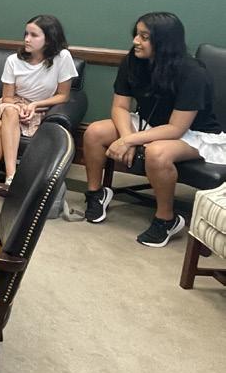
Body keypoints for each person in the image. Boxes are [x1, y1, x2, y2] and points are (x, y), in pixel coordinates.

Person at [83, 12, 226, 247]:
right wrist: (128, 136)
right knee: (94, 132)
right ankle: (96, 193)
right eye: (136, 35)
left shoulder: (193, 73)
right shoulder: (133, 60)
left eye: (144, 37)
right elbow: (120, 106)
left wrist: (130, 141)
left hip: (195, 134)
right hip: (149, 123)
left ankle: (166, 219)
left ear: (164, 42)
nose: (136, 41)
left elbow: (176, 128)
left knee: (157, 153)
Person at [0, 15, 78, 183]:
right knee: (10, 111)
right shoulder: (13, 60)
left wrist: (35, 105)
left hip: (38, 108)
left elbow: (63, 95)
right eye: (26, 34)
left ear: (49, 39)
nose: (27, 39)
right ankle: (11, 175)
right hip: (12, 104)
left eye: (34, 35)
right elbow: (7, 97)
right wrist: (19, 107)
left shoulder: (62, 57)